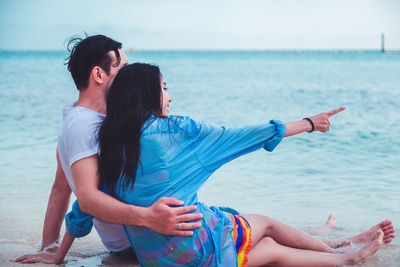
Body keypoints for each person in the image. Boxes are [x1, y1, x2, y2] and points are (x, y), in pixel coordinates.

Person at [65, 63, 393, 266]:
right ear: (148, 94)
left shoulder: (111, 144)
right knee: (267, 228)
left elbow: (85, 206)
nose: (169, 97)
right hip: (196, 250)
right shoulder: (181, 132)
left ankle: (334, 246)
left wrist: (57, 255)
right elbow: (245, 136)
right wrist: (309, 122)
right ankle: (343, 257)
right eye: (164, 88)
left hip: (157, 258)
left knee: (257, 238)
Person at [14, 34, 203, 263]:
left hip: (141, 235)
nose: (128, 74)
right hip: (141, 240)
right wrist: (148, 217)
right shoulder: (83, 126)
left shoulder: (79, 119)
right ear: (98, 74)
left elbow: (60, 188)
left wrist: (50, 246)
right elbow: (87, 200)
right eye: (122, 68)